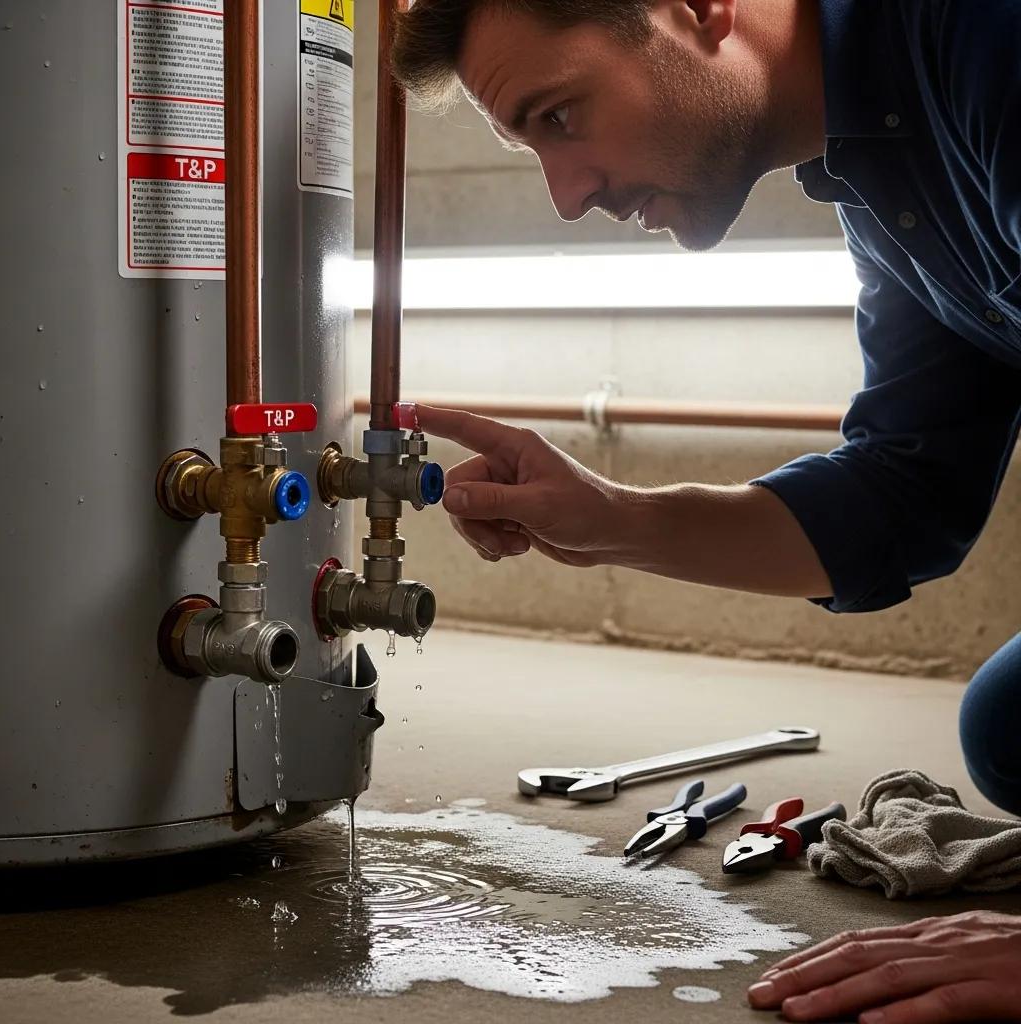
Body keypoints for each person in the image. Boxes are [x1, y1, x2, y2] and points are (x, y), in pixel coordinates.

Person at [392, 1, 1021, 1020]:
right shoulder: (878, 169)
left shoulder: (988, 39)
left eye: (559, 117)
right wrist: (609, 518)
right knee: (1011, 729)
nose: (565, 196)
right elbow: (907, 491)